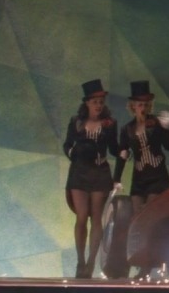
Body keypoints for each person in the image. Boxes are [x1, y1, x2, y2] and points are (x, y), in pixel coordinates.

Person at [62, 79, 123, 279]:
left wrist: (123, 151)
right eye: (95, 101)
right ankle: (80, 261)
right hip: (79, 173)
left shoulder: (109, 124)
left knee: (96, 217)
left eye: (101, 102)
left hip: (99, 172)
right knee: (81, 216)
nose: (98, 105)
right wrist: (75, 152)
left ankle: (91, 262)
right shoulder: (76, 122)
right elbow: (67, 145)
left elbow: (113, 147)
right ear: (87, 102)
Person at [119, 80, 169, 213]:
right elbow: (122, 154)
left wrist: (166, 129)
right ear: (133, 106)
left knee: (149, 211)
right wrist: (116, 180)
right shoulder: (127, 129)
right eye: (140, 105)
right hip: (139, 178)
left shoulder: (156, 123)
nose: (143, 108)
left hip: (157, 177)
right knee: (136, 215)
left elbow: (168, 146)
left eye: (146, 104)